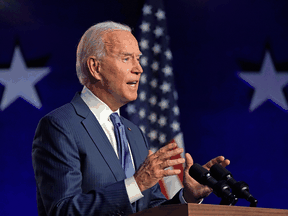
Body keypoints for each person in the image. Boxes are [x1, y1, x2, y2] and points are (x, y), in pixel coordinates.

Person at [32, 21, 230, 216]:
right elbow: (62, 211)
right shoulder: (60, 125)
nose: (139, 69)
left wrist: (187, 197)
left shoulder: (133, 133)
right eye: (126, 58)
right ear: (95, 67)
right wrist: (136, 184)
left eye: (138, 58)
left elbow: (150, 209)